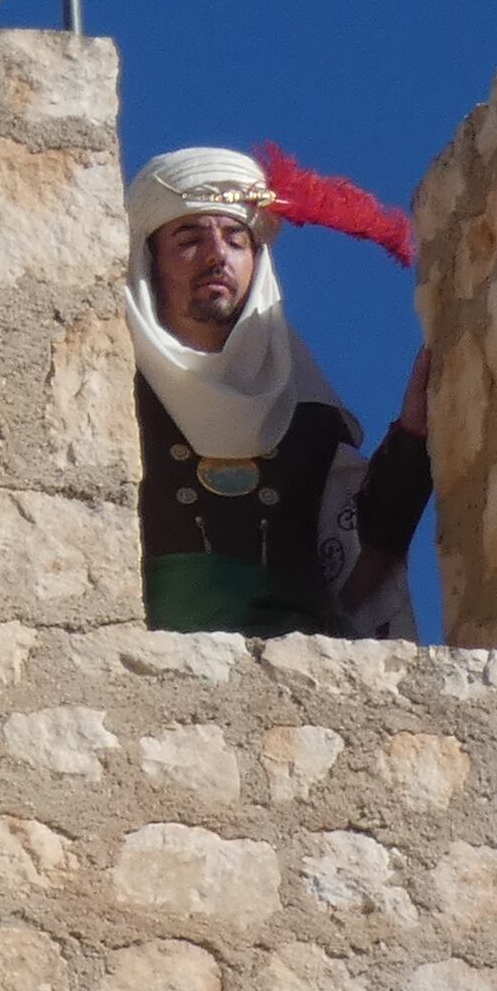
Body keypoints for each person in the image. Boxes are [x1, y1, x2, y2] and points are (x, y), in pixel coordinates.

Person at [129, 145, 430, 639]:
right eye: (189, 238)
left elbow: (365, 559)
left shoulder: (307, 410)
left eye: (236, 239)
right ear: (150, 261)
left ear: (257, 262)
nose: (216, 255)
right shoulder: (114, 392)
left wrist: (414, 438)